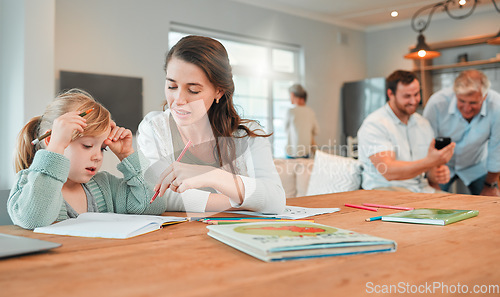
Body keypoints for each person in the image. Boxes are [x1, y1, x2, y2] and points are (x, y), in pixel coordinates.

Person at [137, 35, 286, 214]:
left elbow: (276, 200)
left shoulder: (248, 135)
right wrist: (242, 200)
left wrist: (212, 176)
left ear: (219, 91)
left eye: (193, 90)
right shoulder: (153, 128)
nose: (179, 100)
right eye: (172, 86)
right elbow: (156, 195)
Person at [8, 89, 164, 229]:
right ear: (52, 141)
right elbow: (34, 219)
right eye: (88, 146)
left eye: (103, 148)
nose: (97, 156)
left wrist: (127, 155)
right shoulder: (27, 183)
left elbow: (154, 204)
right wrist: (54, 150)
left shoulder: (106, 185)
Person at [357, 70, 455, 193]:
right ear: (390, 94)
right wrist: (429, 162)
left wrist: (435, 174)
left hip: (421, 190)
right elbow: (388, 171)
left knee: (464, 206)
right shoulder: (375, 124)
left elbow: (429, 173)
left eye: (416, 94)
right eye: (407, 96)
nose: (414, 101)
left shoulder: (423, 124)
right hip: (386, 191)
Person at [423, 69, 500, 196]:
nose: (467, 108)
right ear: (455, 93)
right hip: (442, 166)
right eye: (462, 101)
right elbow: (426, 143)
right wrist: (432, 176)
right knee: (431, 203)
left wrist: (490, 185)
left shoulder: (497, 106)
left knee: (492, 203)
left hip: (476, 165)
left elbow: (497, 148)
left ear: (484, 96)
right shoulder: (436, 103)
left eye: (473, 103)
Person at [284, 83, 319, 158]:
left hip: (292, 153)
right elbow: (316, 131)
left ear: (292, 95)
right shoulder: (310, 112)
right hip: (305, 153)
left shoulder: (291, 112)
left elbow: (285, 129)